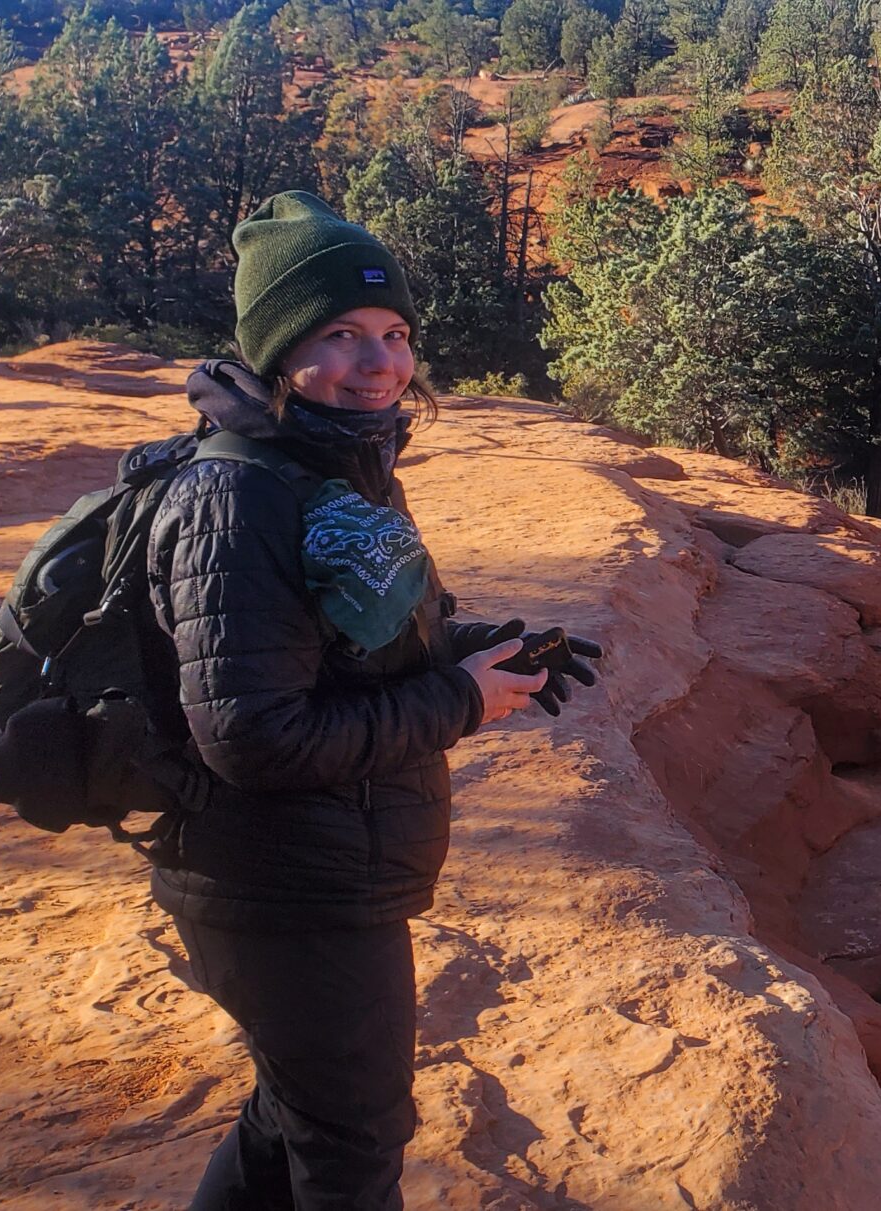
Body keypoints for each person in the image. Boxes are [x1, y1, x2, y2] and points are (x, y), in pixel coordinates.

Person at [146, 191, 595, 1210]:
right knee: (351, 1148)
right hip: (280, 883)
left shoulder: (335, 463)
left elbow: (350, 640)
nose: (380, 361)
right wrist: (460, 702)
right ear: (274, 351)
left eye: (393, 333)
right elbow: (256, 734)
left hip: (315, 867)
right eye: (338, 335)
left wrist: (484, 650)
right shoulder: (242, 493)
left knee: (294, 1113)